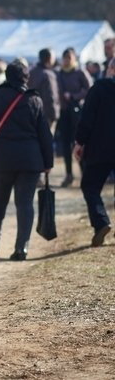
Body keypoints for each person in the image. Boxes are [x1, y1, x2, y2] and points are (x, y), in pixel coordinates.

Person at [0, 61, 54, 261]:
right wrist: (48, 163)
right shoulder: (34, 100)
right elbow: (44, 134)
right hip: (30, 161)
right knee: (25, 203)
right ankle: (22, 248)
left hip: (0, 160)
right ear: (25, 78)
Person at [74, 57, 115, 247]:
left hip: (101, 148)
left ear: (111, 69)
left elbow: (87, 117)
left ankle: (101, 222)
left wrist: (80, 142)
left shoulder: (99, 88)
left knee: (90, 186)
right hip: (103, 147)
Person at [56, 47, 92, 188]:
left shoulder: (80, 72)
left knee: (79, 143)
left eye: (69, 58)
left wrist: (74, 96)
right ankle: (69, 175)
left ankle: (85, 175)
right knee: (65, 145)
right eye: (65, 58)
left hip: (77, 113)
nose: (66, 61)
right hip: (64, 113)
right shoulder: (59, 74)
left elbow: (90, 89)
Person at [27, 48, 60, 131]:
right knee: (47, 140)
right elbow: (51, 96)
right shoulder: (48, 75)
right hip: (46, 115)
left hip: (31, 113)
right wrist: (54, 115)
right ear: (49, 58)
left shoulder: (32, 71)